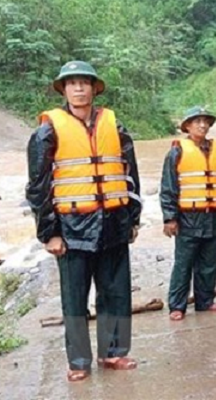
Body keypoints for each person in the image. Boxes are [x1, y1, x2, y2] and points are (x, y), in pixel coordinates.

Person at [26, 61, 142, 381]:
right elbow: (38, 186)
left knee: (116, 292)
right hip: (72, 229)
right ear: (63, 89)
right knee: (74, 298)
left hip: (114, 222)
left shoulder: (114, 127)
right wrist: (48, 233)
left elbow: (129, 174)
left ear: (94, 88)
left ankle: (113, 352)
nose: (79, 88)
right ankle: (78, 361)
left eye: (84, 82)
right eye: (72, 83)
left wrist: (133, 218)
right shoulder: (48, 131)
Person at [160, 106, 216, 321]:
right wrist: (170, 218)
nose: (202, 125)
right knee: (183, 263)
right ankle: (177, 306)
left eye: (206, 121)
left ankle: (205, 301)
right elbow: (168, 187)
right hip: (188, 217)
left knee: (209, 263)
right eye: (197, 121)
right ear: (187, 126)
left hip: (213, 215)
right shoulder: (176, 152)